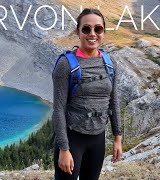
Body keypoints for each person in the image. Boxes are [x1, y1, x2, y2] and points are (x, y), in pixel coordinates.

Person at [52, 8, 123, 180]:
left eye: (98, 29)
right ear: (78, 32)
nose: (92, 34)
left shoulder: (110, 63)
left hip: (98, 140)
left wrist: (117, 138)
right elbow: (59, 109)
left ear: (103, 32)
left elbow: (113, 101)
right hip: (72, 139)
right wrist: (63, 149)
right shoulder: (65, 64)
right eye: (86, 29)